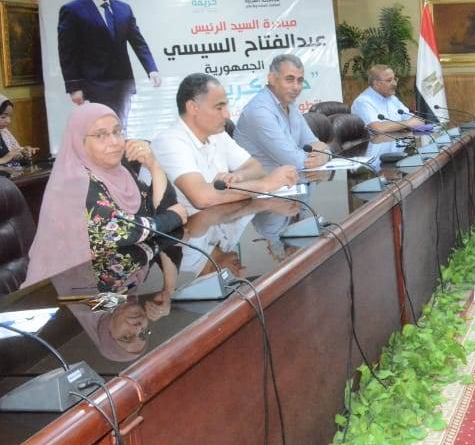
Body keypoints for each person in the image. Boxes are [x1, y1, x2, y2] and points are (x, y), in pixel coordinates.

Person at [22, 102, 188, 287]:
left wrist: (154, 166)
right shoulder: (73, 181)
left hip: (114, 278)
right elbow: (122, 231)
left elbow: (163, 210)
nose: (115, 141)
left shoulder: (121, 172)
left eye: (117, 132)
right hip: (67, 289)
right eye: (101, 135)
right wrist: (172, 217)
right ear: (79, 141)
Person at [152, 73, 298, 209]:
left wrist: (238, 177)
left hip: (220, 220)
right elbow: (202, 198)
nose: (227, 115)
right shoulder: (169, 142)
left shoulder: (218, 134)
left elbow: (256, 168)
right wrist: (266, 185)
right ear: (193, 107)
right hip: (187, 226)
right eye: (219, 107)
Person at [57, 0, 160, 131]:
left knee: (122, 128)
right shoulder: (73, 10)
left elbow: (138, 42)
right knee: (101, 130)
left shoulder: (124, 9)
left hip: (123, 84)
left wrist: (152, 69)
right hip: (94, 85)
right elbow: (67, 52)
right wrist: (73, 87)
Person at [234, 54, 330, 170]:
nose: (296, 87)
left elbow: (313, 143)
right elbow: (294, 161)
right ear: (272, 79)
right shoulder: (259, 111)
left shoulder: (290, 105)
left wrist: (325, 154)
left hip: (294, 178)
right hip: (261, 181)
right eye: (289, 79)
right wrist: (323, 156)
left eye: (300, 80)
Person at [352, 64, 429, 135]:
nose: (395, 83)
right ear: (376, 84)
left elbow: (413, 119)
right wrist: (407, 124)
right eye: (389, 80)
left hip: (398, 142)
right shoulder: (362, 102)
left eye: (395, 79)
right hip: (375, 144)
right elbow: (377, 128)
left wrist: (422, 126)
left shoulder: (392, 99)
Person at [0, 94, 38, 165]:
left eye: (10, 116)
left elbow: (13, 152)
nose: (8, 121)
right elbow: (8, 156)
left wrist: (23, 152)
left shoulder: (4, 131)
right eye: (3, 117)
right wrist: (5, 158)